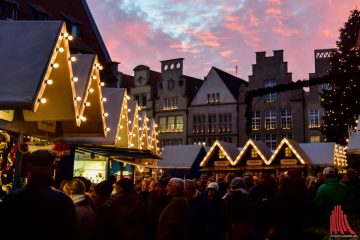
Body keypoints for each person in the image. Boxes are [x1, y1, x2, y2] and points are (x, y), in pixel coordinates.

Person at [0, 150, 78, 240]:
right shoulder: (63, 201)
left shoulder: (11, 199)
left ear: (28, 168)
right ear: (53, 168)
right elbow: (71, 234)